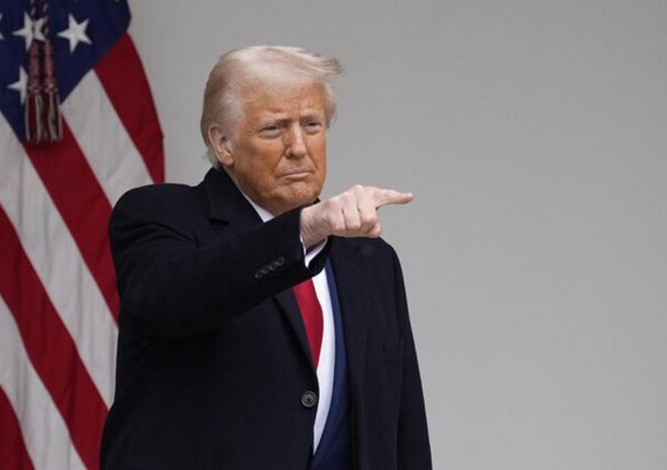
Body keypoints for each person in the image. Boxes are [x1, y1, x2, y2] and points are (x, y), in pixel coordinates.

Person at [100, 46, 432, 470]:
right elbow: (176, 298)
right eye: (274, 129)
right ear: (223, 143)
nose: (298, 147)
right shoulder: (161, 216)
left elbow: (403, 425)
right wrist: (302, 231)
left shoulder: (369, 260)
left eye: (311, 124)